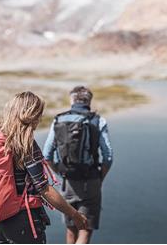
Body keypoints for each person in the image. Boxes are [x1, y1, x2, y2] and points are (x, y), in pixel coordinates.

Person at [0, 91, 88, 244]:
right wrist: (74, 214)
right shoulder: (24, 144)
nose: (40, 119)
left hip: (2, 220)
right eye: (39, 114)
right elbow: (43, 188)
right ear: (31, 115)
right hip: (24, 220)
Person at [43, 86, 113, 244]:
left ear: (72, 100)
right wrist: (99, 178)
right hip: (91, 182)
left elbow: (47, 155)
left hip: (67, 182)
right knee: (85, 231)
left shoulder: (58, 119)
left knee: (70, 230)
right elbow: (108, 156)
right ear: (89, 101)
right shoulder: (98, 120)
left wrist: (61, 174)